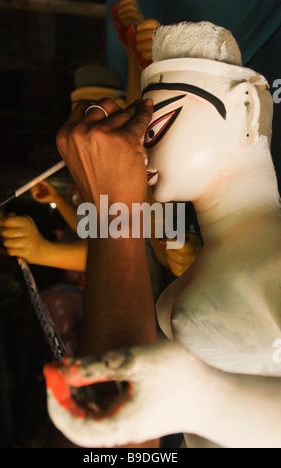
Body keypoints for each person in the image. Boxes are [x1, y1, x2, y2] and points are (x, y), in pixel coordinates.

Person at [43, 21, 281, 449]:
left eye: (155, 128)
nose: (141, 150)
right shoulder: (204, 260)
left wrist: (206, 401)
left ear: (244, 107)